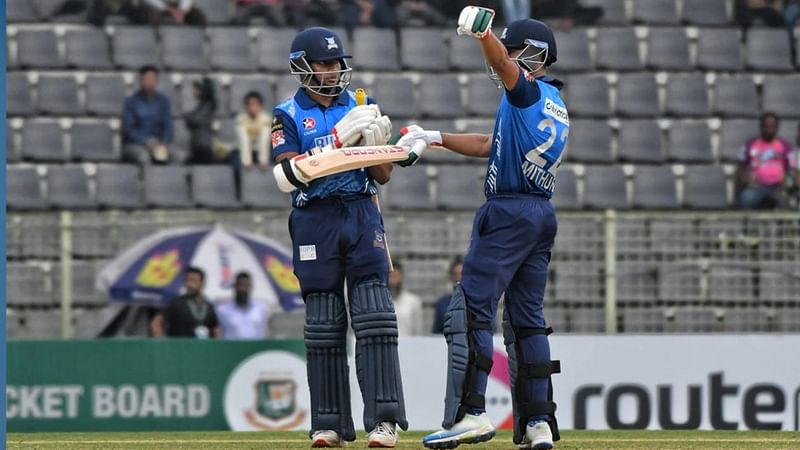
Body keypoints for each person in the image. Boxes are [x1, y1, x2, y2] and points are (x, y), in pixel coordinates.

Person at [395, 8, 567, 449]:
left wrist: (484, 35)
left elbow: (504, 66)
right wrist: (434, 137)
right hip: (540, 213)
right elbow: (491, 146)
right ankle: (537, 422)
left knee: (469, 310)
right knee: (528, 321)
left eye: (513, 51)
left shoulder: (524, 90)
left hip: (507, 212)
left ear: (534, 54)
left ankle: (469, 414)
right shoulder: (552, 103)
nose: (504, 58)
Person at [271, 27, 405, 448]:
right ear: (303, 67)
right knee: (324, 324)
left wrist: (378, 145)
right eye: (325, 63)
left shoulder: (360, 106)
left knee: (375, 317)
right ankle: (328, 424)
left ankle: (384, 422)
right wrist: (336, 142)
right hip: (315, 218)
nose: (334, 70)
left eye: (336, 62)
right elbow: (289, 173)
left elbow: (381, 175)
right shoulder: (288, 113)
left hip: (361, 211)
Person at [737, 112, 794, 209]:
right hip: (756, 187)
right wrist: (747, 180)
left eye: (772, 126)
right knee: (746, 198)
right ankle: (750, 224)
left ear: (777, 127)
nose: (769, 129)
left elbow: (791, 171)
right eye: (766, 126)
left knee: (786, 202)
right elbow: (741, 167)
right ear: (760, 127)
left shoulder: (785, 146)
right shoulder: (750, 144)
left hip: (778, 187)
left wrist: (783, 187)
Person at [122, 65, 176, 165]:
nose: (150, 82)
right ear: (141, 80)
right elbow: (128, 130)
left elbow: (168, 127)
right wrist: (146, 141)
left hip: (159, 144)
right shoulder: (131, 102)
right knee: (144, 157)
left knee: (175, 156)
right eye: (147, 79)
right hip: (137, 144)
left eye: (153, 79)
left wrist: (163, 143)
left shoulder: (163, 101)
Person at [150, 267, 220, 338]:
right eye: (186, 280)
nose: (188, 284)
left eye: (192, 280)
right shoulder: (176, 303)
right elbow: (157, 322)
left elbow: (216, 329)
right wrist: (161, 343)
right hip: (180, 347)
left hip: (203, 347)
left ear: (202, 283)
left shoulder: (209, 306)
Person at [215, 272, 270, 339]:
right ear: (235, 287)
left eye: (245, 285)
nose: (242, 289)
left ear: (251, 287)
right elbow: (220, 334)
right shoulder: (223, 310)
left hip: (256, 348)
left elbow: (264, 332)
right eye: (240, 285)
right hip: (232, 348)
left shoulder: (261, 309)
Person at [232, 91, 270, 171]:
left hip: (258, 150)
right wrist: (246, 161)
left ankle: (263, 162)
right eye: (250, 105)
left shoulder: (266, 118)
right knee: (235, 161)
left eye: (255, 105)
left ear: (260, 106)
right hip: (242, 150)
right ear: (246, 106)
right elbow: (243, 139)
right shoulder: (240, 119)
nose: (253, 108)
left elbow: (265, 139)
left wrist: (263, 160)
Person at [184, 77, 217, 164]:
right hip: (196, 146)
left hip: (204, 147)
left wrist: (188, 116)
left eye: (196, 89)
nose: (194, 92)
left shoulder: (209, 105)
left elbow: (195, 119)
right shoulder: (200, 106)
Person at [388, 260, 424, 336]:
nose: (392, 281)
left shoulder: (413, 301)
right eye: (389, 277)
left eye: (394, 276)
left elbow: (418, 333)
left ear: (401, 276)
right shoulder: (380, 303)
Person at [432, 256, 464, 335]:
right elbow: (437, 331)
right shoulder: (442, 304)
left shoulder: (477, 304)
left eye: (462, 274)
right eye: (456, 274)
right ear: (451, 277)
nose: (459, 278)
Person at [143, 0, 207, 26]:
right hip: (160, 6)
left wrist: (182, 10)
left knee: (199, 16)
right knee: (152, 15)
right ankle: (156, 41)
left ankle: (203, 41)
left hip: (180, 6)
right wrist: (167, 9)